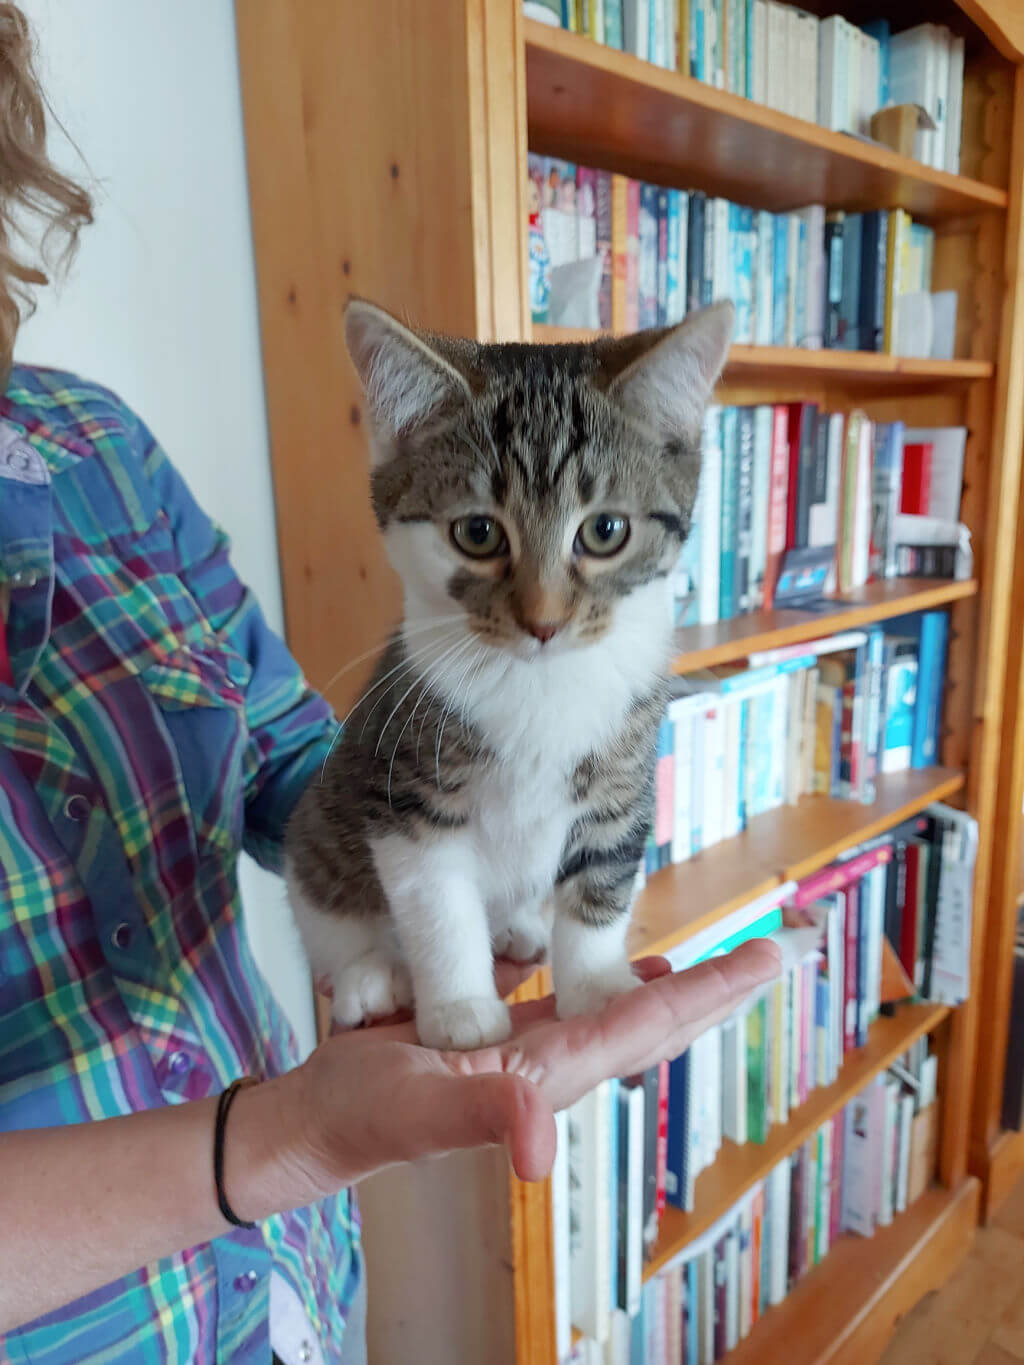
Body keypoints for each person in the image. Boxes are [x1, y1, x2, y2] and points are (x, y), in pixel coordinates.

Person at [0, 6, 781, 1363]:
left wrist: (497, 837)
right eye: (487, 540)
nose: (543, 611)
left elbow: (297, 759)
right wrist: (286, 1138)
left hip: (285, 1296)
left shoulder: (93, 447)